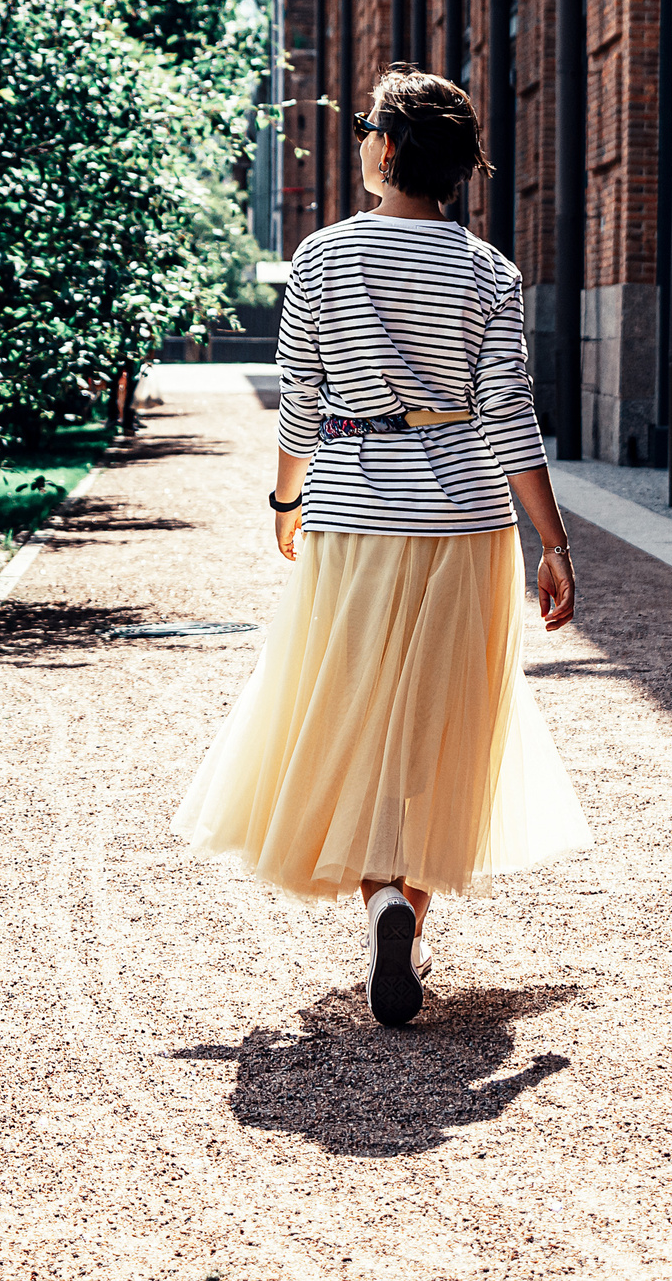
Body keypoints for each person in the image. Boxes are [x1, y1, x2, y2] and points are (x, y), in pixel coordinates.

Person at [172, 64, 592, 1028]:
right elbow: (509, 412)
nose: (360, 137)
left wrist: (284, 499)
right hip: (467, 522)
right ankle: (408, 903)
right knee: (441, 726)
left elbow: (305, 404)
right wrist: (554, 541)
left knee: (353, 709)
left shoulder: (321, 260)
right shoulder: (491, 272)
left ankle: (384, 901)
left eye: (367, 125)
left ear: (391, 148)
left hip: (355, 510)